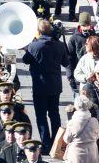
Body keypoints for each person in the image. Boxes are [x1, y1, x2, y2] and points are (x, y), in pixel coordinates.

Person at [22, 19, 69, 154]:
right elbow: (66, 62)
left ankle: (46, 144)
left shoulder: (34, 46)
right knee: (54, 114)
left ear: (38, 31)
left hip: (40, 86)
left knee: (41, 116)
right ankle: (56, 142)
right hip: (55, 86)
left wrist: (29, 46)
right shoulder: (59, 45)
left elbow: (25, 60)